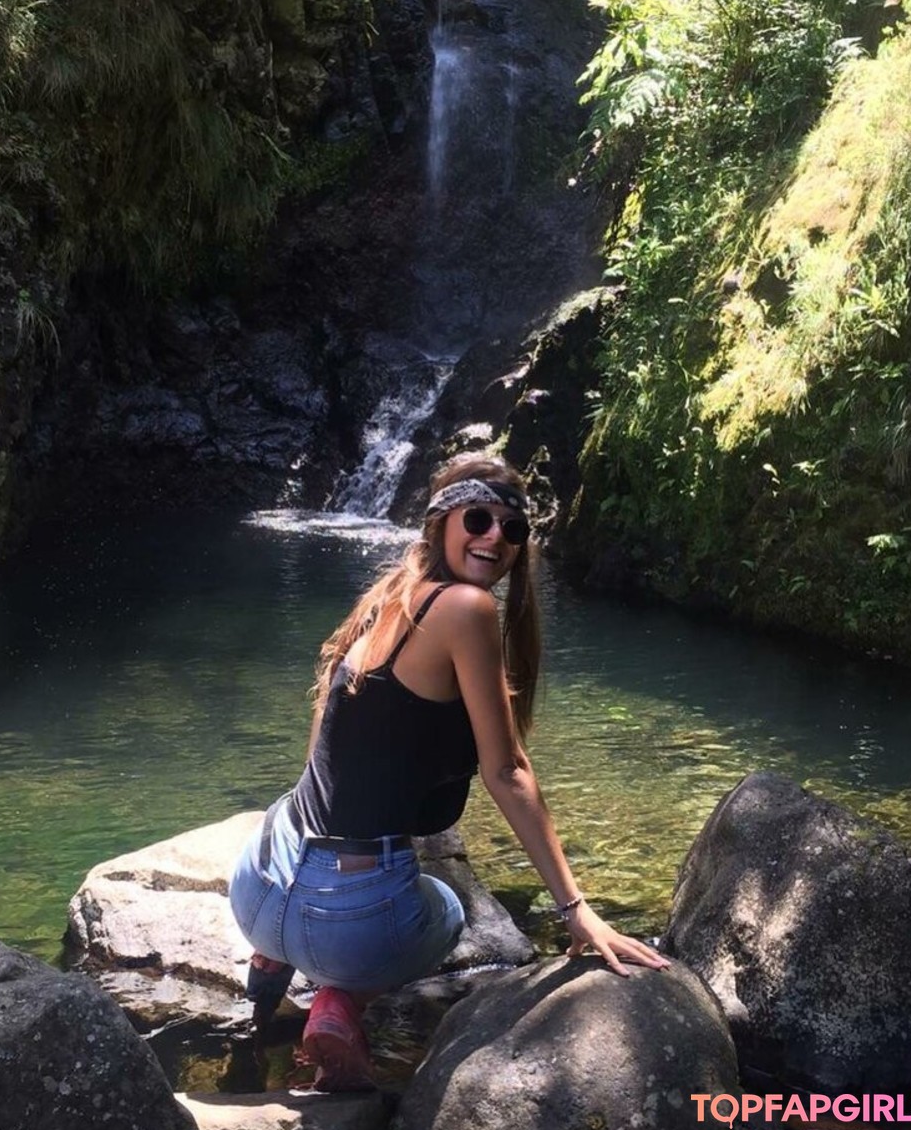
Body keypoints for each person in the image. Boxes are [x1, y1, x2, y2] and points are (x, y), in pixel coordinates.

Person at [229, 452, 668, 1091]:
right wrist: (577, 911)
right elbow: (507, 771)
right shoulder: (467, 607)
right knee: (449, 910)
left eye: (512, 529)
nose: (496, 538)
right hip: (344, 928)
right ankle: (339, 1002)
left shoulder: (390, 593)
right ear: (441, 521)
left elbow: (322, 744)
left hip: (259, 883)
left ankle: (271, 962)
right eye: (479, 519)